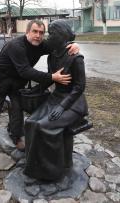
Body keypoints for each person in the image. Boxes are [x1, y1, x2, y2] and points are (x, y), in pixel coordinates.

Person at [0, 20, 79, 158]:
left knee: (17, 111)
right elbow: (25, 71)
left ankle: (16, 136)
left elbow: (59, 44)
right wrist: (52, 77)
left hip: (16, 85)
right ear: (27, 32)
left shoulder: (40, 45)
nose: (38, 35)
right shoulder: (16, 46)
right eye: (34, 31)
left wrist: (73, 44)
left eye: (41, 33)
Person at [23, 20, 89, 181]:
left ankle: (52, 172)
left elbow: (79, 88)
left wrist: (62, 107)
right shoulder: (52, 56)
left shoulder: (75, 58)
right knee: (31, 122)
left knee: (43, 126)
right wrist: (36, 89)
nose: (48, 37)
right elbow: (51, 78)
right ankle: (34, 165)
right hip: (56, 98)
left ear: (61, 36)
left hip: (73, 103)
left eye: (51, 34)